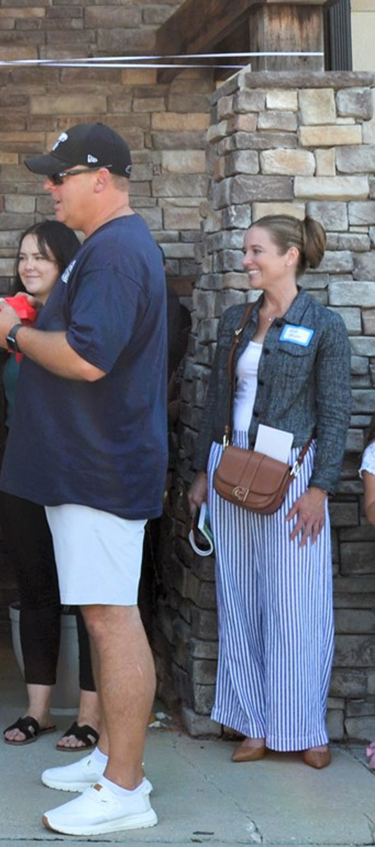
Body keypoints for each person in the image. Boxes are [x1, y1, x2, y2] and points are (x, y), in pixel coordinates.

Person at [0, 122, 167, 836]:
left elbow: (89, 358)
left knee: (110, 618)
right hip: (89, 465)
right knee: (103, 613)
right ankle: (115, 762)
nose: (49, 187)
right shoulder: (108, 249)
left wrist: (14, 333)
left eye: (60, 176)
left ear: (102, 177)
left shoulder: (117, 252)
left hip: (100, 467)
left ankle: (125, 787)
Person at [187, 215, 348, 770]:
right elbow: (215, 403)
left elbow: (335, 413)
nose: (247, 260)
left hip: (294, 477)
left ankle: (305, 727)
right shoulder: (237, 320)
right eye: (246, 250)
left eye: (256, 251)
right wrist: (201, 472)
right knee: (240, 600)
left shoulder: (322, 324)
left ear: (290, 256)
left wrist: (322, 488)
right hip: (231, 472)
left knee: (297, 605)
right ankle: (253, 723)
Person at [0, 221, 101, 750]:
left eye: (42, 258)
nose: (29, 266)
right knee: (35, 591)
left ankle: (90, 716)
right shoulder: (5, 324)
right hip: (18, 478)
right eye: (24, 255)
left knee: (90, 597)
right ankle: (38, 710)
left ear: (66, 266)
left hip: (76, 478)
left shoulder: (81, 325)